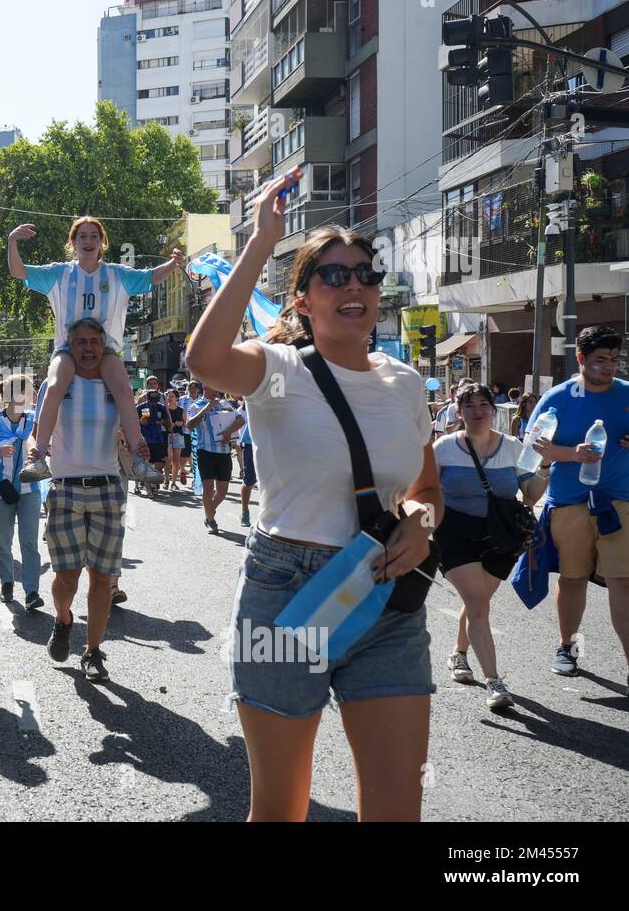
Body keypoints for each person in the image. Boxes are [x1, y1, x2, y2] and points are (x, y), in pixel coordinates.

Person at [186, 172, 441, 822]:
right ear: (302, 300)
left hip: (382, 594)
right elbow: (205, 359)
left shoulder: (407, 384)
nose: (353, 284)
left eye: (366, 273)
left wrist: (420, 521)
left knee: (395, 807)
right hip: (286, 595)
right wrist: (262, 241)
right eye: (333, 275)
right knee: (281, 809)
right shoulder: (277, 372)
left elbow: (425, 488)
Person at [8, 218, 178, 485]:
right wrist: (12, 241)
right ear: (73, 243)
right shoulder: (59, 273)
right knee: (54, 386)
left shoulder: (116, 274)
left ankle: (137, 458)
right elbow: (18, 272)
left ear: (102, 242)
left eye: (94, 237)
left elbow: (151, 276)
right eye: (82, 237)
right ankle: (39, 456)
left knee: (123, 389)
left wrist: (173, 263)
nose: (88, 242)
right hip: (67, 349)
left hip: (106, 350)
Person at [434, 383, 545, 710]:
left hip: (501, 535)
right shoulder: (443, 448)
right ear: (458, 411)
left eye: (484, 404)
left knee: (476, 603)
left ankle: (458, 654)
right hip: (454, 532)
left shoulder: (513, 447)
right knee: (479, 603)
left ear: (493, 410)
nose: (478, 411)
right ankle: (495, 683)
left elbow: (532, 494)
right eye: (469, 406)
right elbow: (422, 489)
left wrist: (547, 465)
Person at [531, 325, 629, 685]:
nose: (609, 368)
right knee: (573, 579)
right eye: (601, 360)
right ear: (580, 359)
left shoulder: (627, 394)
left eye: (615, 360)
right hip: (570, 502)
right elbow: (533, 447)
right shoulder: (558, 397)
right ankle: (566, 646)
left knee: (623, 582)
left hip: (621, 501)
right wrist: (572, 454)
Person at [40, 318, 134, 683]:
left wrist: (134, 447)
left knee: (102, 578)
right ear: (70, 346)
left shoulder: (115, 384)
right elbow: (40, 430)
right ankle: (63, 617)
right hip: (65, 488)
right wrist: (36, 451)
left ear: (103, 344)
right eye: (81, 342)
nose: (89, 348)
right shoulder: (59, 384)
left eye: (95, 341)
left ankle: (92, 651)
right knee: (67, 578)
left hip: (109, 488)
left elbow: (128, 421)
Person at [0, 373, 44, 609]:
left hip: (31, 489)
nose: (30, 396)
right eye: (26, 391)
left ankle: (32, 591)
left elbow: (45, 447)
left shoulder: (33, 421)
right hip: (2, 491)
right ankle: (7, 583)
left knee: (29, 543)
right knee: (4, 542)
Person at [187, 389, 243, 533]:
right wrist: (206, 408)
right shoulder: (195, 405)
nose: (216, 390)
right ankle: (211, 519)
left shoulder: (224, 403)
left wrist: (228, 432)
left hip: (224, 452)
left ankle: (209, 511)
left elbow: (240, 420)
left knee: (222, 493)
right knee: (208, 488)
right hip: (204, 450)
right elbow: (190, 425)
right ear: (206, 387)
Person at [136, 387, 171, 496]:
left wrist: (163, 422)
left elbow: (169, 425)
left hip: (158, 439)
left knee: (159, 465)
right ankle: (149, 490)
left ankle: (153, 482)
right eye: (152, 397)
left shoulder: (161, 407)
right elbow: (132, 423)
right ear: (147, 396)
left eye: (157, 397)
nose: (154, 401)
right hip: (145, 439)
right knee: (146, 464)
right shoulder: (141, 407)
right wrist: (140, 422)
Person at [164, 390, 186, 490]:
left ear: (177, 398)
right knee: (168, 458)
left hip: (178, 435)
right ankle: (166, 481)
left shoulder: (181, 410)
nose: (169, 398)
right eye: (168, 396)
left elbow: (185, 423)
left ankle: (173, 482)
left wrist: (179, 423)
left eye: (172, 396)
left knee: (176, 460)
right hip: (167, 435)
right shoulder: (164, 409)